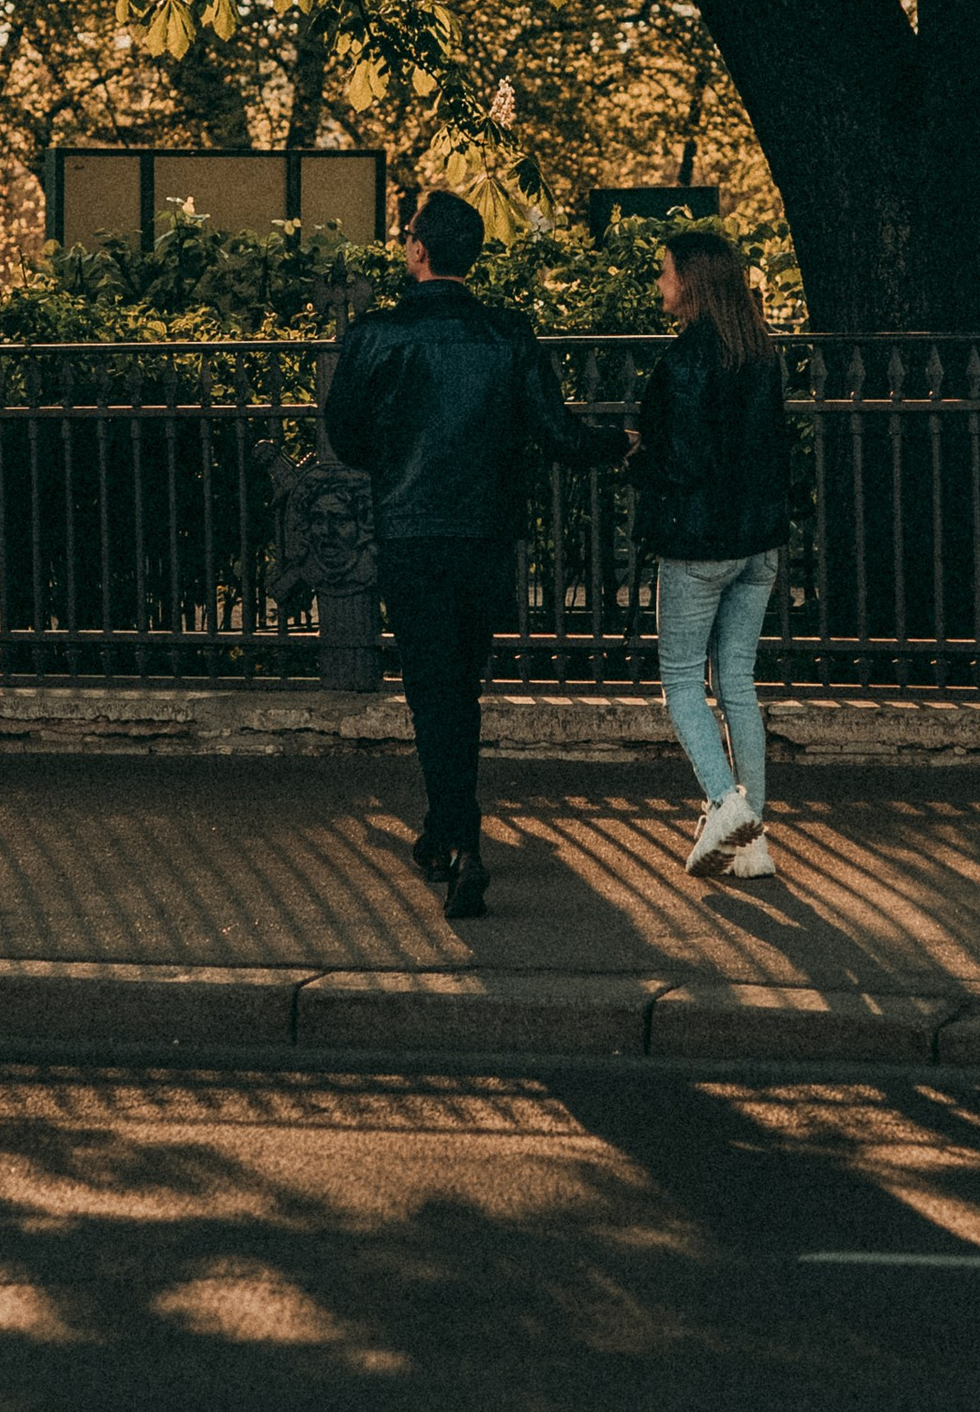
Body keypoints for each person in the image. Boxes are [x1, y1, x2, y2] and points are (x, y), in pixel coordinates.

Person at [324, 186, 627, 920]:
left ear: (419, 250)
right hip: (487, 531)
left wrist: (393, 464)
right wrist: (619, 442)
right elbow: (556, 433)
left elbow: (345, 433)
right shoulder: (509, 334)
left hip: (411, 530)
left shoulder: (374, 335)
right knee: (463, 679)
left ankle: (457, 838)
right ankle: (446, 830)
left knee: (433, 687)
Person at [628, 216, 791, 882]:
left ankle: (726, 805)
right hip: (759, 541)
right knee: (739, 685)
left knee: (679, 682)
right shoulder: (761, 353)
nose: (660, 281)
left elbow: (684, 461)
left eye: (666, 270)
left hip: (699, 541)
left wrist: (640, 457)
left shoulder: (683, 362)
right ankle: (751, 843)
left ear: (691, 282)